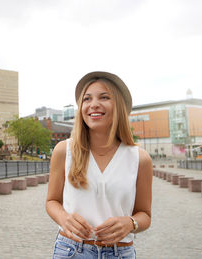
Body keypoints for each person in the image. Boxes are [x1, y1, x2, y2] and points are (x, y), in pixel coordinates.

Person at [46, 71, 153, 259]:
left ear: (118, 105)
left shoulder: (140, 158)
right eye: (87, 99)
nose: (93, 104)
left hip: (120, 253)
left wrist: (130, 223)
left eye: (104, 97)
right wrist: (65, 219)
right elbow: (51, 202)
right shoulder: (64, 151)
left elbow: (144, 215)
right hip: (71, 250)